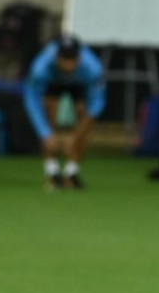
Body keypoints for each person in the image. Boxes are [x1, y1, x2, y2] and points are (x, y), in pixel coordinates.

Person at [23, 34, 105, 190]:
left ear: (79, 57)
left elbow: (97, 104)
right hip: (53, 82)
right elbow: (32, 100)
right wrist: (45, 133)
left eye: (72, 59)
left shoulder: (93, 68)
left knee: (83, 113)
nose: (68, 64)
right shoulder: (41, 68)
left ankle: (71, 173)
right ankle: (52, 172)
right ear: (57, 56)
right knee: (49, 110)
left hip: (79, 84)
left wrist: (76, 136)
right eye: (64, 59)